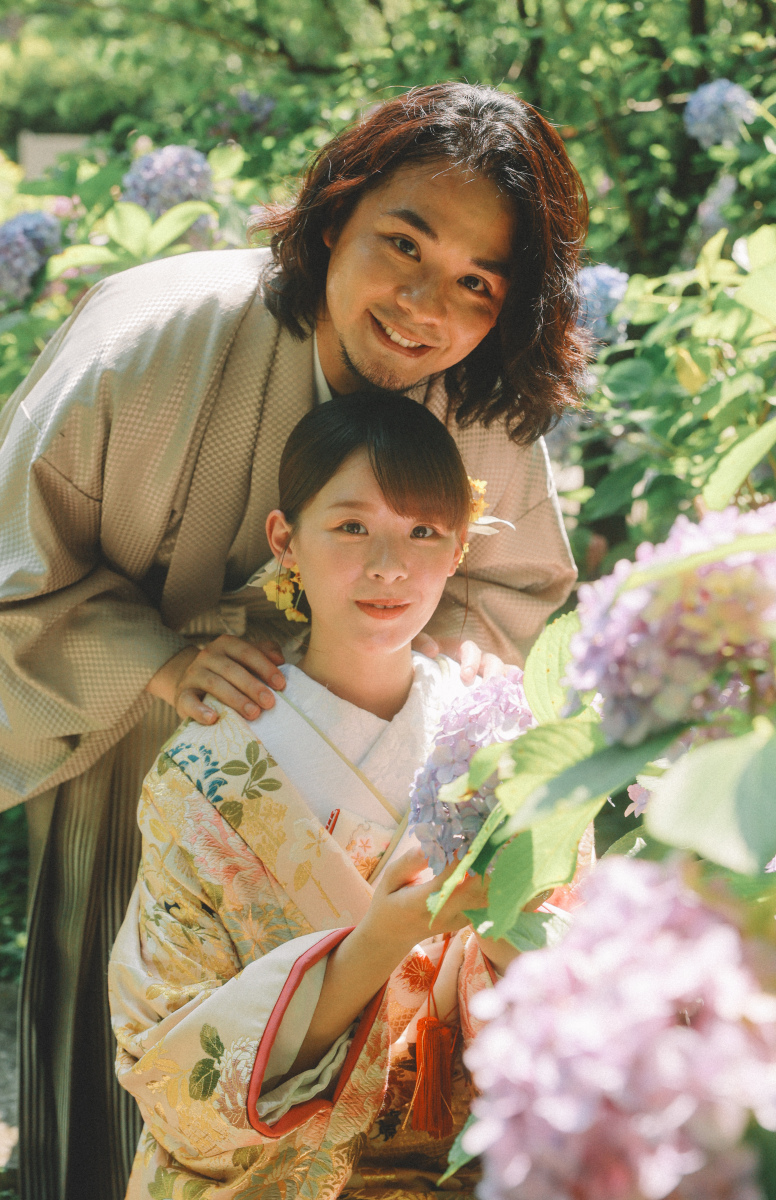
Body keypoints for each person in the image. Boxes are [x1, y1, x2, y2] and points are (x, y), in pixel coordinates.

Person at [0, 82, 587, 1199]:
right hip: (138, 730)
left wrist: (435, 674)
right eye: (400, 245)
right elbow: (14, 564)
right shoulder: (151, 343)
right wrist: (156, 660)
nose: (423, 307)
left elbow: (504, 592)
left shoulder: (484, 401)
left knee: (374, 1065)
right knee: (137, 1031)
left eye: (476, 283)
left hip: (365, 777)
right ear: (331, 220)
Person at [110, 393, 523, 1199]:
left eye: (423, 532)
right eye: (352, 526)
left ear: (458, 550)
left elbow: (579, 964)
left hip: (465, 1164)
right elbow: (165, 1054)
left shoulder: (498, 746)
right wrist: (374, 945)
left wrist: (500, 933)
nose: (389, 565)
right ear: (284, 540)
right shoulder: (206, 770)